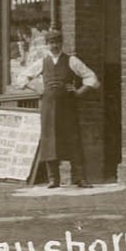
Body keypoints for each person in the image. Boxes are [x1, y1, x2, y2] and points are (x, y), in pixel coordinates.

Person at [35, 28, 98, 189]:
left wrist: (78, 92)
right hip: (48, 108)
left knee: (73, 139)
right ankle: (53, 179)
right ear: (47, 45)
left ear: (61, 43)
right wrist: (37, 89)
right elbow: (22, 78)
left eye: (57, 42)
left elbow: (92, 78)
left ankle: (79, 178)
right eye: (51, 43)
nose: (54, 46)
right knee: (50, 141)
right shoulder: (42, 62)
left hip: (67, 107)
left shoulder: (71, 60)